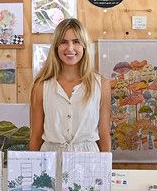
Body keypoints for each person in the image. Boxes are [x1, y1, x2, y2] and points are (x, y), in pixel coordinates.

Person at [29, 18, 111, 153]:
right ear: (56, 46)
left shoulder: (101, 85)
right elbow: (36, 136)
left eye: (76, 42)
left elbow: (104, 134)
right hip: (51, 159)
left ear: (84, 46)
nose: (70, 48)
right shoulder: (41, 86)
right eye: (64, 42)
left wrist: (105, 170)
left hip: (88, 159)